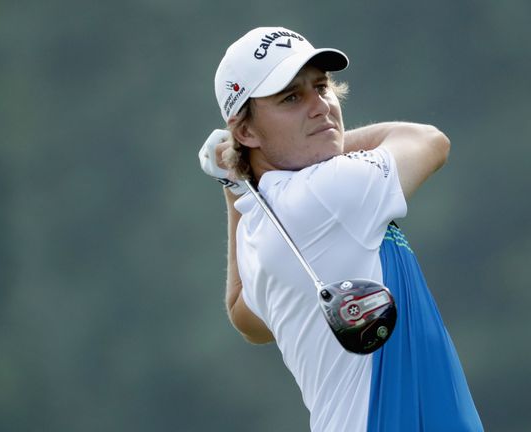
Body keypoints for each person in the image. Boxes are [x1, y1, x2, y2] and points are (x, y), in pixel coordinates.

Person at [199, 26, 483, 432]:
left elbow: (245, 315)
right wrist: (324, 143)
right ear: (245, 131)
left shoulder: (262, 224)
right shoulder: (328, 193)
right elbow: (429, 141)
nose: (321, 107)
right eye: (291, 98)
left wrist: (235, 183)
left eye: (322, 86)